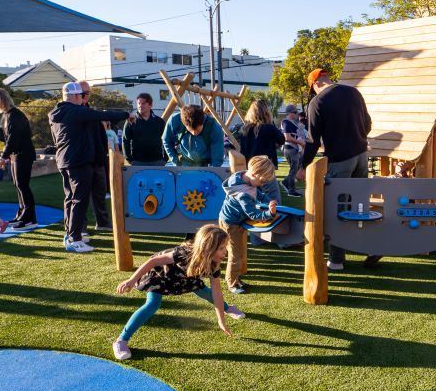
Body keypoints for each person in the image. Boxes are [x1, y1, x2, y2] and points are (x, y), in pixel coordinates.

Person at [111, 224, 243, 361]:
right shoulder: (183, 253)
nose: (225, 252)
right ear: (208, 247)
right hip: (160, 275)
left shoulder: (213, 265)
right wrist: (132, 280)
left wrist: (221, 320)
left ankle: (228, 308)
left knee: (204, 292)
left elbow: (217, 293)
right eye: (221, 248)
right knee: (152, 304)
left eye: (225, 247)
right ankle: (121, 341)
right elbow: (153, 261)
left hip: (185, 278)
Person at [302, 68, 380, 270]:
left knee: (339, 209)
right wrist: (356, 137)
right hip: (362, 155)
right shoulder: (354, 93)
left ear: (315, 84)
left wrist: (303, 166)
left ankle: (336, 260)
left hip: (339, 160)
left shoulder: (317, 102)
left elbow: (312, 140)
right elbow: (368, 124)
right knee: (360, 206)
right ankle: (372, 246)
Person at [49, 82, 132, 253]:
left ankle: (70, 233)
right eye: (81, 95)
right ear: (76, 96)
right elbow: (101, 115)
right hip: (78, 161)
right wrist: (126, 114)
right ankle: (74, 238)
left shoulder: (56, 113)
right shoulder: (76, 111)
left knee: (70, 199)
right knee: (79, 199)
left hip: (64, 160)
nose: (83, 98)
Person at [218, 155, 277, 294]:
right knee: (235, 254)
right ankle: (232, 283)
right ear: (254, 174)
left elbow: (258, 194)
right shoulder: (243, 194)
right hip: (231, 224)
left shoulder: (242, 177)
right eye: (262, 181)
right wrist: (270, 214)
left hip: (233, 220)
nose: (263, 185)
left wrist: (268, 201)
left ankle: (236, 278)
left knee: (238, 251)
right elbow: (254, 215)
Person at [0, 89, 38, 230]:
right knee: (18, 185)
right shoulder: (7, 115)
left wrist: (3, 157)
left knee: (23, 185)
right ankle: (22, 215)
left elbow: (13, 139)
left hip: (23, 154)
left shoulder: (16, 115)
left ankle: (29, 219)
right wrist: (8, 155)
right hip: (16, 154)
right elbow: (6, 138)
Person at [78, 81, 114, 233]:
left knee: (99, 193)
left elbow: (101, 137)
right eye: (83, 92)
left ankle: (103, 222)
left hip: (97, 160)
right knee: (80, 196)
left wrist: (102, 156)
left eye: (88, 93)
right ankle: (80, 227)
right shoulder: (72, 113)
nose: (86, 95)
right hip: (80, 161)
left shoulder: (92, 113)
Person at [239, 99, 285, 203]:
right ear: (266, 113)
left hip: (250, 171)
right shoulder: (268, 128)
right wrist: (271, 122)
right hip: (265, 169)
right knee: (274, 201)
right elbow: (281, 140)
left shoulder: (244, 130)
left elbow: (243, 151)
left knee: (254, 201)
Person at [122, 92, 166, 166]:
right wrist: (129, 159)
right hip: (137, 162)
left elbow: (166, 139)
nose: (140, 106)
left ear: (150, 105)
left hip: (158, 161)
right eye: (139, 103)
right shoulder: (131, 121)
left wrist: (165, 159)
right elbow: (125, 140)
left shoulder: (159, 122)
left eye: (143, 103)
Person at [280, 104, 305, 197]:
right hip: (290, 149)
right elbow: (287, 137)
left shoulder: (291, 122)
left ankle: (286, 183)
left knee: (296, 168)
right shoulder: (286, 122)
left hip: (294, 148)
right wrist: (301, 143)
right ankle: (291, 190)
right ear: (290, 113)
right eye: (295, 112)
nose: (296, 114)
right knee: (294, 170)